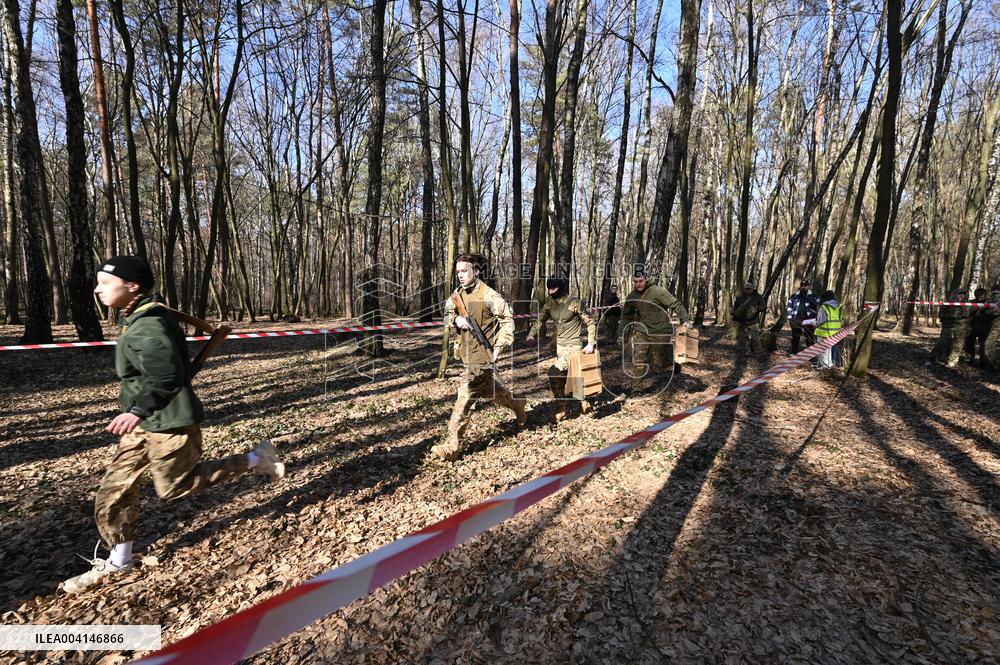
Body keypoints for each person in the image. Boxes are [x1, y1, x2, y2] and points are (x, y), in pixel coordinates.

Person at [63, 256, 285, 594]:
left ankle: (257, 459)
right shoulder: (139, 316)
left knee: (173, 488)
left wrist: (136, 410)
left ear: (133, 286)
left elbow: (167, 375)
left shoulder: (149, 324)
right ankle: (120, 562)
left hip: (169, 422)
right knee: (114, 491)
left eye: (106, 283)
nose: (97, 289)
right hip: (145, 423)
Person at [433, 254, 527, 461]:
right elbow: (447, 313)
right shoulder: (457, 294)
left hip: (482, 358)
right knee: (491, 391)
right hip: (467, 355)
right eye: (457, 272)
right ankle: (518, 405)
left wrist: (498, 348)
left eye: (464, 271)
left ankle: (451, 447)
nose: (460, 275)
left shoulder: (489, 295)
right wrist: (457, 319)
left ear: (476, 271)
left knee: (465, 396)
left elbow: (508, 322)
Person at [526, 277, 598, 421]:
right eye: (549, 289)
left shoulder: (574, 303)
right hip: (559, 347)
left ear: (560, 288)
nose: (551, 291)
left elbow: (590, 322)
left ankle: (560, 406)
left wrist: (591, 342)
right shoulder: (549, 305)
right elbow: (539, 320)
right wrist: (531, 335)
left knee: (554, 372)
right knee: (571, 375)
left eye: (554, 289)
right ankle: (581, 401)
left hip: (574, 346)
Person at [620, 269, 690, 391]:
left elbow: (675, 304)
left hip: (660, 331)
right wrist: (622, 334)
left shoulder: (658, 292)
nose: (638, 284)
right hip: (642, 331)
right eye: (635, 282)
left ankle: (674, 363)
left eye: (641, 281)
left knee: (660, 362)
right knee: (639, 358)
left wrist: (685, 319)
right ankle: (637, 388)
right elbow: (626, 316)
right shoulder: (632, 296)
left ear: (646, 279)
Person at [805, 289, 846, 369]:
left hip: (824, 332)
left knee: (823, 351)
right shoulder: (839, 307)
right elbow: (840, 319)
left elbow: (820, 320)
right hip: (836, 332)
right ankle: (828, 366)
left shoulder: (824, 307)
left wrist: (811, 322)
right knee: (831, 351)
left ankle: (825, 368)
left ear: (824, 298)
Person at [932, 288, 970, 368]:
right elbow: (942, 315)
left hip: (961, 327)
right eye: (959, 294)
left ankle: (952, 361)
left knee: (958, 345)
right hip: (948, 326)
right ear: (955, 294)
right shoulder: (947, 303)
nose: (961, 296)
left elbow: (965, 315)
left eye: (963, 294)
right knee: (942, 343)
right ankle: (933, 357)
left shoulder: (967, 304)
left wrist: (953, 316)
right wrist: (952, 317)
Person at [786, 279, 821, 353]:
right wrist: (790, 319)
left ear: (808, 286)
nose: (804, 287)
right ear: (800, 286)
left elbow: (820, 306)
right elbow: (789, 308)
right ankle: (793, 353)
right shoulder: (794, 296)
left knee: (809, 337)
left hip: (809, 320)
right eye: (802, 286)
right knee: (795, 337)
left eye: (805, 286)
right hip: (796, 319)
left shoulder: (814, 296)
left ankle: (810, 354)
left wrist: (816, 318)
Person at [732, 282, 765, 358]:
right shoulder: (739, 298)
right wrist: (734, 319)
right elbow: (735, 309)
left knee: (755, 338)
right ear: (744, 289)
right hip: (742, 321)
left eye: (749, 289)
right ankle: (746, 352)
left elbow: (763, 307)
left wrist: (757, 309)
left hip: (754, 321)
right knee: (743, 338)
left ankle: (758, 353)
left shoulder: (758, 297)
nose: (748, 290)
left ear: (753, 289)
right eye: (747, 289)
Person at [965, 287, 990, 365]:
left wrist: (982, 312)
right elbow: (967, 313)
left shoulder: (989, 303)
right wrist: (974, 312)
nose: (980, 296)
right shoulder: (971, 302)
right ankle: (970, 359)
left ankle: (983, 362)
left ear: (985, 295)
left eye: (982, 295)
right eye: (978, 294)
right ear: (975, 295)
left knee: (983, 345)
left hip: (984, 326)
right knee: (969, 343)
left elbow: (992, 314)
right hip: (972, 326)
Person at [984, 284, 1000, 370]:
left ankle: (996, 365)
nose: (995, 292)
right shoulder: (992, 299)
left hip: (997, 326)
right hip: (995, 325)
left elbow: (995, 312)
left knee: (989, 345)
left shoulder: (996, 298)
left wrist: (985, 311)